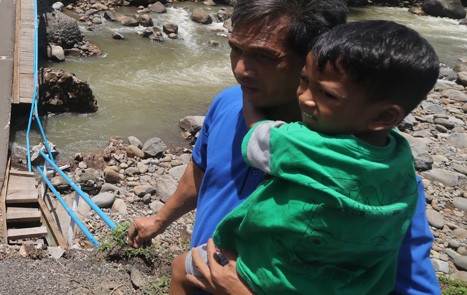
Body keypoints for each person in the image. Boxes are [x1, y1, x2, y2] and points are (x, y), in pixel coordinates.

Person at [125, 0, 440, 295]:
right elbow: (203, 169)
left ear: (317, 56)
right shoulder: (229, 104)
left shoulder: (377, 181)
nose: (241, 70)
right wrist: (160, 220)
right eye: (236, 49)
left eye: (264, 57)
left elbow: (412, 287)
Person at [184, 20, 439, 294]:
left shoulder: (301, 142)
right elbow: (199, 168)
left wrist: (246, 95)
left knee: (181, 270)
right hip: (353, 286)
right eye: (304, 81)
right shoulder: (398, 161)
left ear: (384, 116)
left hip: (266, 277)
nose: (306, 98)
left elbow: (257, 132)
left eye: (326, 94)